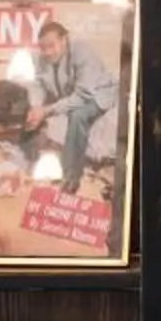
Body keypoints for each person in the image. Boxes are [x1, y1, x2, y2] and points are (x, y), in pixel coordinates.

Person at [25, 16, 115, 192]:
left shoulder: (82, 51)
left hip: (98, 96)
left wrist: (47, 110)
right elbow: (37, 85)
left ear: (64, 39)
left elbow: (83, 95)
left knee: (78, 115)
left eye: (51, 46)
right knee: (32, 121)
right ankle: (34, 170)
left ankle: (71, 177)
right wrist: (36, 107)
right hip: (69, 100)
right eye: (43, 48)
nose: (47, 52)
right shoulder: (40, 59)